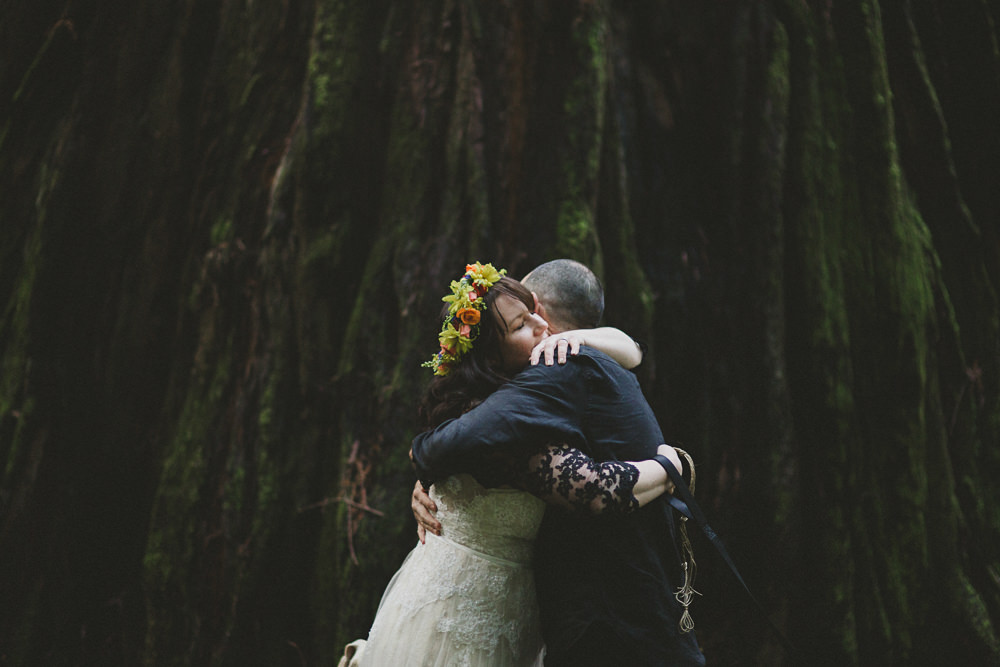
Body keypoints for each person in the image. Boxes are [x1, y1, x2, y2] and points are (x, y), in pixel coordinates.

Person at [346, 262, 681, 667]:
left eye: (537, 315)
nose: (543, 328)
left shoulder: (524, 399)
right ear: (489, 352)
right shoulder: (506, 426)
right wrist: (672, 465)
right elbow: (596, 490)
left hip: (515, 616)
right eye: (522, 324)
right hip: (456, 616)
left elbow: (631, 349)